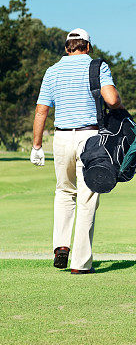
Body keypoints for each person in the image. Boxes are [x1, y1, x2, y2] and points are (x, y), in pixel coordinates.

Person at [30, 28, 122, 274]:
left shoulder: (52, 71)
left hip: (60, 137)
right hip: (89, 137)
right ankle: (80, 263)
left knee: (63, 192)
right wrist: (119, 107)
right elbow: (111, 100)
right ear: (88, 47)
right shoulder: (97, 67)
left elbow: (41, 110)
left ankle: (61, 245)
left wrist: (36, 145)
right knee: (87, 196)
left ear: (66, 47)